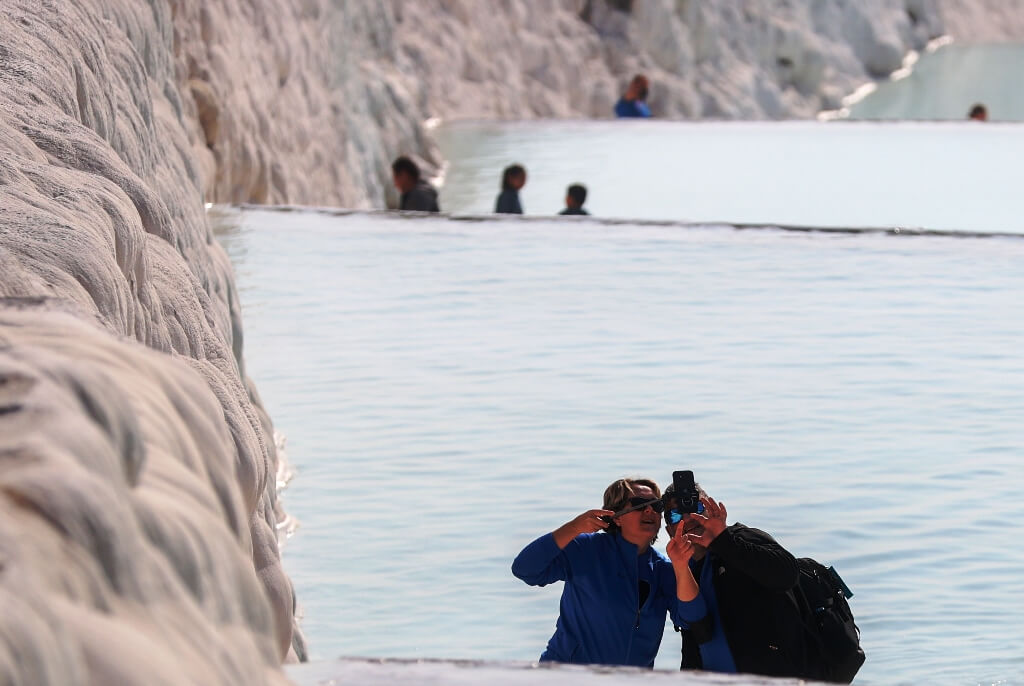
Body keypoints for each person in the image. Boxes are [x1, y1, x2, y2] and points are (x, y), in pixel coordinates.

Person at [511, 478, 692, 668]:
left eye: (656, 506)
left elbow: (688, 619)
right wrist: (574, 527)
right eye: (639, 504)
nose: (650, 511)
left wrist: (682, 567)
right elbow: (525, 569)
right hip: (565, 676)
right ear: (616, 516)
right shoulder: (585, 548)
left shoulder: (664, 569)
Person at [663, 482, 808, 678]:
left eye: (696, 508)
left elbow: (787, 575)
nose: (688, 519)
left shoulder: (741, 538)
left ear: (711, 509)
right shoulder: (681, 568)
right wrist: (680, 567)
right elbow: (699, 628)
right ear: (669, 530)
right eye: (676, 515)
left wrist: (723, 540)